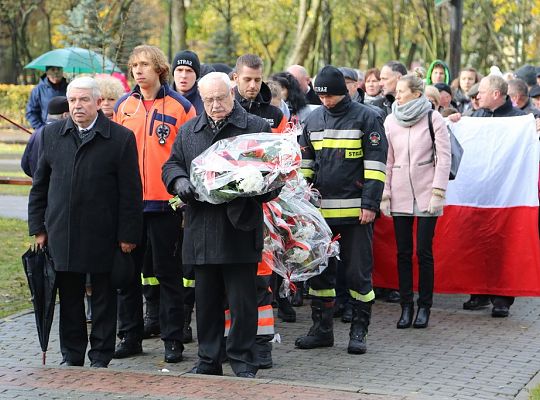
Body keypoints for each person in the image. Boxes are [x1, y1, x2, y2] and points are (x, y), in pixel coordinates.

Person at [162, 71, 274, 378]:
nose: (214, 105)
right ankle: (209, 359)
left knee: (243, 303)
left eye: (220, 98)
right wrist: (179, 180)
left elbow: (274, 177)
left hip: (239, 228)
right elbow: (171, 164)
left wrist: (253, 183)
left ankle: (243, 360)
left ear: (233, 94)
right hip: (201, 229)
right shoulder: (188, 132)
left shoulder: (255, 128)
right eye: (208, 99)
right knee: (206, 301)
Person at [27, 76, 143, 368]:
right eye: (73, 101)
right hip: (62, 232)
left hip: (104, 233)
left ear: (98, 102)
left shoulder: (120, 138)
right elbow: (40, 185)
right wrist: (38, 228)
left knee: (104, 297)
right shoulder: (51, 136)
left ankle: (101, 355)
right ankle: (72, 354)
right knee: (69, 297)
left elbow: (131, 191)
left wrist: (128, 234)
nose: (77, 106)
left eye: (84, 100)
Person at [296, 66, 387, 354]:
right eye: (322, 97)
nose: (326, 101)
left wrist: (370, 204)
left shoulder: (367, 117)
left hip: (356, 213)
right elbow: (306, 166)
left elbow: (376, 166)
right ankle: (322, 330)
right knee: (320, 274)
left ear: (343, 92)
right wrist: (302, 204)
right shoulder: (312, 120)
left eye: (331, 96)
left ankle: (359, 331)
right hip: (320, 215)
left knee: (358, 274)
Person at [113, 45, 196, 363]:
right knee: (127, 276)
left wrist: (185, 203)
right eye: (134, 65)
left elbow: (191, 157)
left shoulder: (181, 107)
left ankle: (173, 340)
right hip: (130, 206)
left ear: (159, 68)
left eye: (145, 64)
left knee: (168, 275)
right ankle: (129, 336)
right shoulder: (124, 106)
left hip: (167, 206)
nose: (138, 70)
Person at [380, 70, 451, 329]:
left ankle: (424, 307)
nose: (396, 94)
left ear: (416, 94)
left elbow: (444, 158)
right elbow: (387, 160)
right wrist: (385, 193)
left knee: (423, 252)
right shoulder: (390, 121)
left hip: (426, 195)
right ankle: (406, 306)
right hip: (398, 194)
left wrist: (437, 192)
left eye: (401, 90)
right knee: (403, 253)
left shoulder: (434, 119)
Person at [460, 75, 527, 317]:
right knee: (476, 244)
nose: (477, 96)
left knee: (503, 246)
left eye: (482, 92)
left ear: (497, 94)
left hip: (507, 196)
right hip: (479, 195)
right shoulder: (476, 117)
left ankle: (502, 298)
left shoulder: (520, 120)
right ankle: (478, 292)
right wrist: (456, 121)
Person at [234, 54, 288, 133]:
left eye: (257, 80)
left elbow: (287, 143)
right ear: (236, 78)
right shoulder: (224, 110)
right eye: (247, 79)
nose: (252, 85)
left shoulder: (276, 114)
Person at [21, 96, 69, 178]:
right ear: (65, 115)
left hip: (37, 184)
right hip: (54, 186)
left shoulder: (36, 132)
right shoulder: (62, 133)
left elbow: (25, 165)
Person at [172, 50, 204, 114]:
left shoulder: (205, 101)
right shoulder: (161, 97)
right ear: (173, 73)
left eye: (189, 71)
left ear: (196, 75)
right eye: (179, 70)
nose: (184, 76)